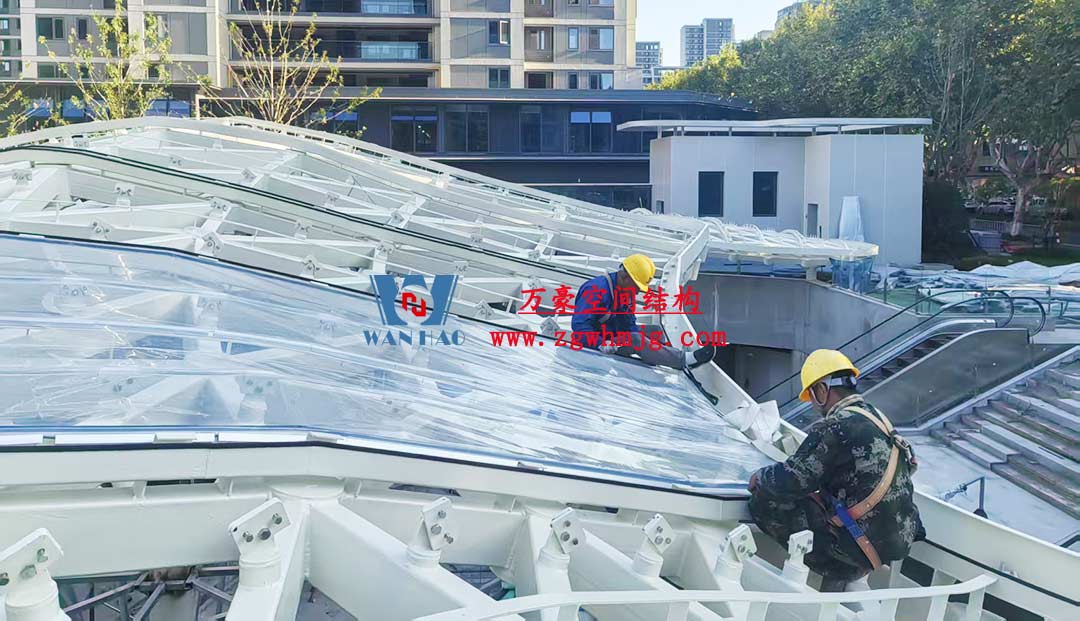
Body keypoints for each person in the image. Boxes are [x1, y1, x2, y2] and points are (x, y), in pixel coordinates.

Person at [747, 349, 925, 592]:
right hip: (893, 543)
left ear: (822, 390)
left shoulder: (835, 425)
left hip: (858, 550)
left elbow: (792, 479)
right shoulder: (877, 418)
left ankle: (839, 566)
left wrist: (760, 477)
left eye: (812, 396)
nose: (813, 405)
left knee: (763, 501)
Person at [570, 254, 715, 370]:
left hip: (611, 337)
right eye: (637, 286)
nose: (638, 291)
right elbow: (579, 327)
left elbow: (629, 324)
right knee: (635, 339)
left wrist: (645, 343)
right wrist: (600, 343)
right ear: (624, 277)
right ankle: (684, 360)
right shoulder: (595, 290)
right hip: (596, 344)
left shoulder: (626, 292)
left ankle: (659, 359)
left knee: (655, 331)